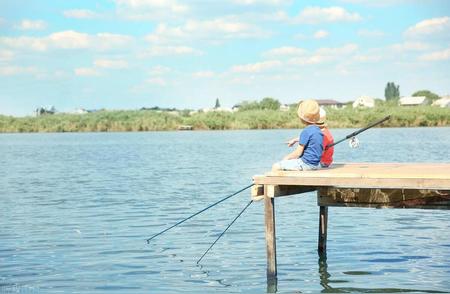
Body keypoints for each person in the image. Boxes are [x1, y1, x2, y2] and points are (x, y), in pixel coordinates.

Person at [272, 99, 323, 171]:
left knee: (276, 166)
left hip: (306, 164)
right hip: (316, 165)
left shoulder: (306, 131)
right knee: (289, 164)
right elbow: (311, 138)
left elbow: (298, 153)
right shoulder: (318, 130)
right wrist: (295, 140)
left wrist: (286, 158)